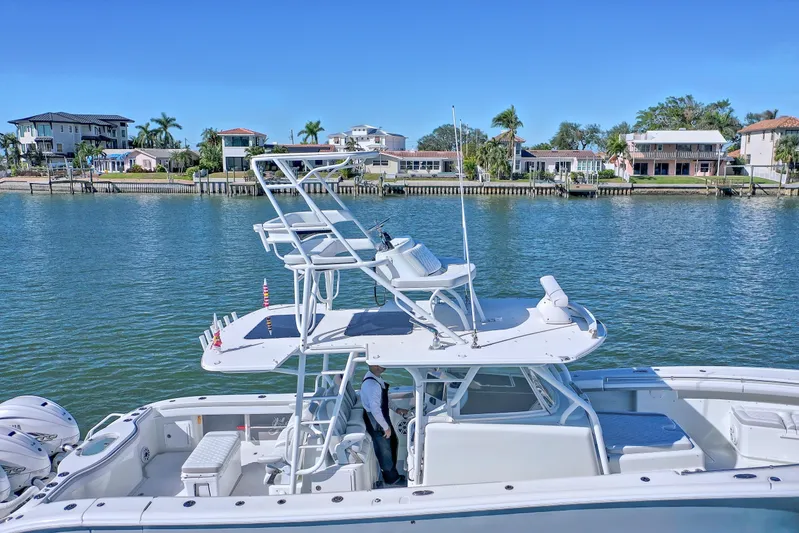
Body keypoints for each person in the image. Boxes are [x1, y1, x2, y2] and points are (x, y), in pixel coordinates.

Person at [361, 365, 408, 485]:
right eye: (382, 365)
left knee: (393, 443)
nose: (385, 367)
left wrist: (397, 409)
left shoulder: (375, 378)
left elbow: (385, 398)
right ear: (375, 366)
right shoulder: (372, 386)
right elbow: (375, 410)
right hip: (377, 421)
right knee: (385, 451)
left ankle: (392, 474)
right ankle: (391, 480)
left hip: (381, 418)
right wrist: (385, 427)